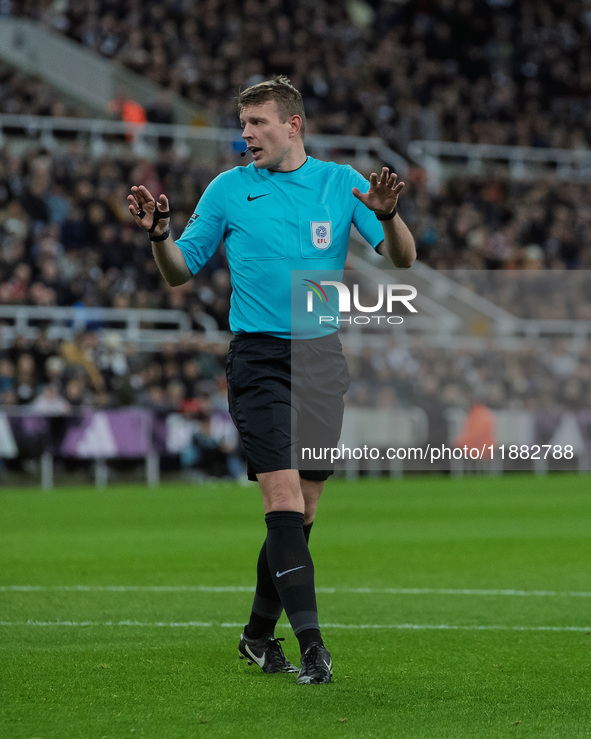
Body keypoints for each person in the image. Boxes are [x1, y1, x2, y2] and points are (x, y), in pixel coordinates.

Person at [128, 76, 415, 685]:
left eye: (258, 122)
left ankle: (257, 637)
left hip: (320, 357)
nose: (247, 134)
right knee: (281, 499)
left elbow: (404, 258)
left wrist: (389, 219)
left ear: (293, 125)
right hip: (258, 359)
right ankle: (313, 647)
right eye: (244, 123)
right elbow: (180, 271)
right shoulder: (228, 190)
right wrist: (159, 237)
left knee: (305, 512)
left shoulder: (340, 184)